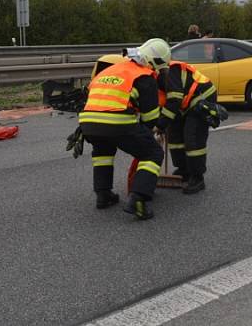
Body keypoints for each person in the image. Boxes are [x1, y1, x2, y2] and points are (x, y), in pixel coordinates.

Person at [78, 38, 168, 220]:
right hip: (116, 121)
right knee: (152, 153)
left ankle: (103, 195)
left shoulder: (112, 69)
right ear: (155, 62)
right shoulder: (144, 76)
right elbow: (149, 118)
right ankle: (139, 200)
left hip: (87, 121)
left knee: (103, 151)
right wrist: (149, 134)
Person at [156, 59, 217, 194]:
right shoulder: (150, 75)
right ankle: (184, 169)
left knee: (192, 138)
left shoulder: (169, 72)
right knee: (174, 136)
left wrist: (160, 125)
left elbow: (174, 101)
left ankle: (197, 177)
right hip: (183, 102)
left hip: (201, 98)